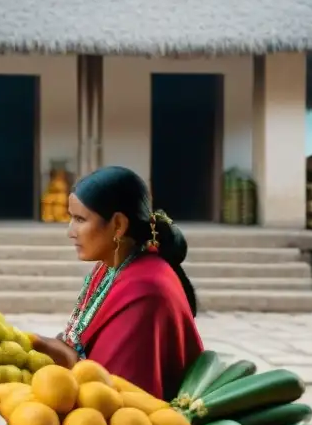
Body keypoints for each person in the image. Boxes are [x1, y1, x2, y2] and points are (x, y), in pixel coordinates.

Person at [31, 166, 203, 401]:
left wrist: (65, 357)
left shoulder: (146, 291)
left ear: (118, 225)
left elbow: (115, 398)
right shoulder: (110, 265)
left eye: (80, 219)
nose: (70, 232)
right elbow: (78, 342)